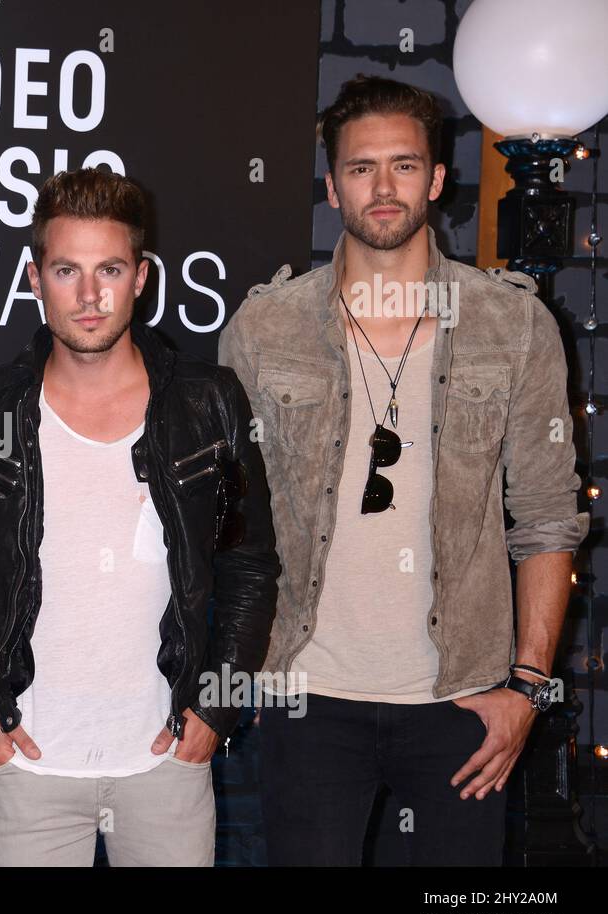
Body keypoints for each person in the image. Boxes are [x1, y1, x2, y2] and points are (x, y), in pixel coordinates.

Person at [218, 74, 588, 865]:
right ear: (331, 185)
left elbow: (549, 517)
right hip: (308, 693)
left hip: (464, 699)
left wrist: (525, 689)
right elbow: (233, 516)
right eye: (360, 169)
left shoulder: (513, 324)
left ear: (438, 179)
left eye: (403, 166)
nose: (383, 189)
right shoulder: (266, 327)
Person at [0, 168, 279, 866]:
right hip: (26, 763)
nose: (90, 296)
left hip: (165, 766)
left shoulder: (210, 402)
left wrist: (215, 710)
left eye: (110, 269)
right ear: (35, 278)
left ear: (141, 276)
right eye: (67, 270)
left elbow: (250, 565)